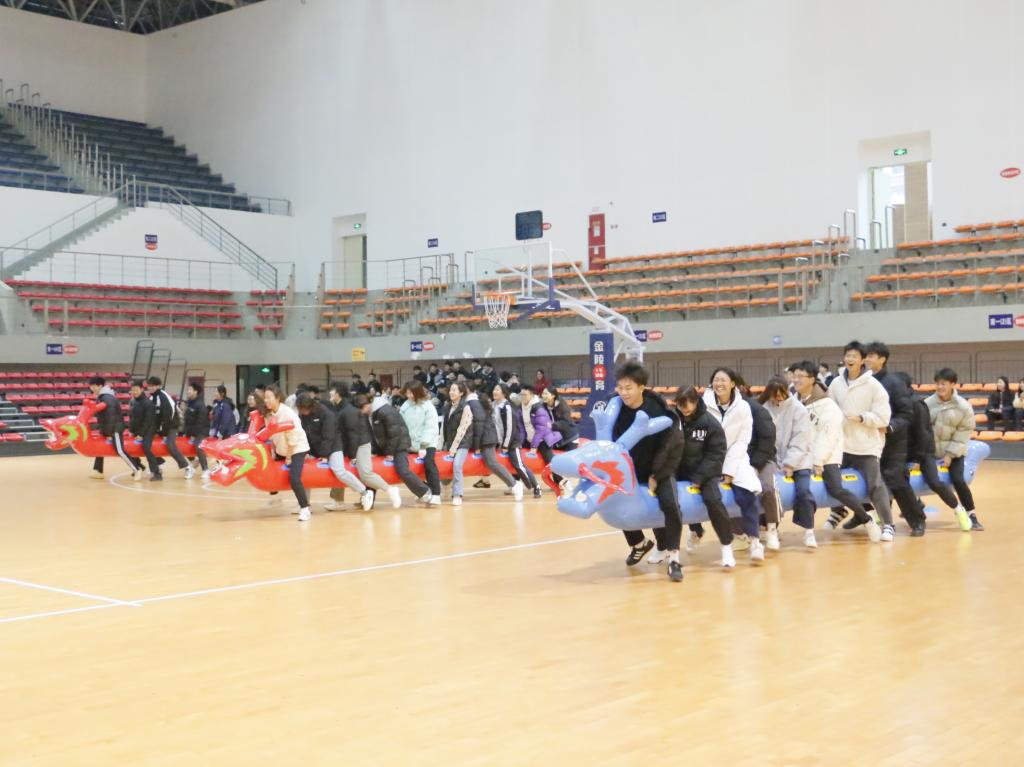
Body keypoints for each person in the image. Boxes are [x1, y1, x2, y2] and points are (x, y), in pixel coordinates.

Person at [609, 363, 683, 580]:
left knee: (670, 505)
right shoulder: (616, 409)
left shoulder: (657, 409)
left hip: (659, 468)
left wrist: (656, 475)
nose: (623, 393)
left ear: (641, 387)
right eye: (620, 387)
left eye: (628, 388)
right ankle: (639, 543)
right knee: (616, 500)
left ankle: (674, 558)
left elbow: (669, 447)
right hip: (630, 469)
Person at [791, 360, 879, 543]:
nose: (796, 380)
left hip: (827, 456)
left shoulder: (827, 405)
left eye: (800, 376)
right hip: (802, 455)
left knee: (836, 488)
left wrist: (818, 461)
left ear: (812, 379)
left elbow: (827, 436)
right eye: (794, 376)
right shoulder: (795, 402)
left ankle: (867, 519)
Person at [826, 340, 893, 541]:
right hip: (841, 445)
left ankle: (888, 525)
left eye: (854, 356)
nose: (850, 359)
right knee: (833, 481)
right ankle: (838, 511)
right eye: (847, 355)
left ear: (863, 360)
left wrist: (863, 418)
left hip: (866, 446)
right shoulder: (836, 384)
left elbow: (883, 418)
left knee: (875, 485)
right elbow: (829, 408)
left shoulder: (874, 386)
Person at [895, 371, 971, 535]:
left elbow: (924, 435)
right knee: (894, 481)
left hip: (925, 451)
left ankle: (959, 509)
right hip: (906, 450)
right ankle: (907, 514)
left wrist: (917, 459)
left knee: (934, 482)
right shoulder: (897, 403)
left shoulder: (918, 405)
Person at [702, 368, 765, 563]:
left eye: (723, 380)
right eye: (716, 380)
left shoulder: (743, 407)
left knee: (747, 494)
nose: (719, 383)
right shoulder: (703, 404)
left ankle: (755, 541)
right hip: (709, 458)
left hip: (736, 458)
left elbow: (742, 441)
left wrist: (729, 471)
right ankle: (696, 533)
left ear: (732, 384)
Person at [865, 341, 923, 536]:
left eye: (871, 356)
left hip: (894, 442)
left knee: (896, 480)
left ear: (882, 359)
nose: (867, 359)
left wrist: (890, 427)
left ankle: (917, 520)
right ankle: (879, 520)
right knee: (870, 480)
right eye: (866, 356)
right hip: (869, 441)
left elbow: (906, 413)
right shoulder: (864, 382)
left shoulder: (894, 383)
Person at [672, 386, 735, 565]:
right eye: (680, 405)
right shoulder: (673, 420)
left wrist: (699, 478)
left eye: (688, 404)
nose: (684, 408)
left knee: (713, 501)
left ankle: (726, 546)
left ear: (695, 401)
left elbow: (716, 454)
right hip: (678, 471)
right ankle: (692, 532)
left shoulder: (710, 423)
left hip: (705, 472)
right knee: (668, 502)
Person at [760, 376, 817, 548]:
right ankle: (770, 528)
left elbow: (801, 440)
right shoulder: (763, 408)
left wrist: (790, 464)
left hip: (800, 460)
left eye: (781, 395)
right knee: (768, 490)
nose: (777, 399)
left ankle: (809, 531)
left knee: (803, 491)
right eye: (774, 395)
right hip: (772, 459)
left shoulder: (798, 409)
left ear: (786, 392)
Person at [442, 382, 521, 505]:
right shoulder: (461, 403)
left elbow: (479, 425)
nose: (452, 392)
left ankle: (515, 484)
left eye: (455, 389)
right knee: (452, 463)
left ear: (464, 391)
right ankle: (443, 486)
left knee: (491, 462)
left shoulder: (472, 403)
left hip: (486, 438)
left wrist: (477, 446)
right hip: (476, 438)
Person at [926, 368, 984, 531]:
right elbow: (921, 429)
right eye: (937, 383)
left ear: (952, 384)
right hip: (930, 451)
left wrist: (950, 455)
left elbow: (963, 433)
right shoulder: (927, 404)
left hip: (954, 451)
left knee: (958, 480)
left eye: (943, 384)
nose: (940, 387)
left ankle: (971, 514)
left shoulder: (963, 407)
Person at [296, 392, 374, 512]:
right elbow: (305, 434)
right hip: (315, 448)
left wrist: (324, 455)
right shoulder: (302, 415)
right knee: (304, 472)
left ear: (310, 406)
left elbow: (329, 435)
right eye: (300, 409)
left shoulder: (325, 413)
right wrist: (306, 451)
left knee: (339, 470)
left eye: (304, 409)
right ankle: (304, 505)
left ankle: (365, 492)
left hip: (334, 446)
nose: (302, 412)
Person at [362, 393, 431, 508]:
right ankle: (368, 500)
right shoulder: (370, 414)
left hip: (399, 446)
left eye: (363, 407)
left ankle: (425, 492)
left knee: (402, 470)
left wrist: (390, 453)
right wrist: (374, 451)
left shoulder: (385, 411)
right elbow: (373, 436)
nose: (362, 411)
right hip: (384, 447)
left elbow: (395, 434)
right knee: (371, 471)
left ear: (369, 404)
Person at [329, 382, 390, 508]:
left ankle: (385, 491)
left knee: (364, 473)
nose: (330, 393)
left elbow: (355, 434)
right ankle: (338, 500)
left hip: (358, 445)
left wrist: (353, 454)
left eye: (332, 391)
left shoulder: (348, 410)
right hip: (348, 445)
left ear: (338, 394)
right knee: (341, 470)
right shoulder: (340, 408)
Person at [740, 379, 780, 551]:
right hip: (739, 461)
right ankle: (740, 533)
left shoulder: (757, 410)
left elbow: (767, 440)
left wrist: (756, 464)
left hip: (763, 459)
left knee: (768, 488)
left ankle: (772, 528)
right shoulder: (724, 412)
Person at [264, 384, 311, 521]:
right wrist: (273, 450)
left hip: (297, 448)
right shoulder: (268, 414)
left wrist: (289, 457)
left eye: (269, 397)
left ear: (278, 398)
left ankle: (305, 508)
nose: (266, 400)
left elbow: (293, 439)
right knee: (270, 471)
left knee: (294, 478)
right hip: (282, 448)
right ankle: (275, 497)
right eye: (265, 397)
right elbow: (270, 434)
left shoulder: (287, 414)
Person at [88, 375, 143, 480]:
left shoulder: (107, 398)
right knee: (100, 448)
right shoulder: (103, 397)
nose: (92, 388)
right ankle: (98, 470)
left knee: (120, 450)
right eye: (91, 386)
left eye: (94, 386)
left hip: (115, 430)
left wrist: (109, 433)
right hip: (109, 429)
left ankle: (137, 469)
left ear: (100, 386)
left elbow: (111, 417)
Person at [492, 382, 540, 498]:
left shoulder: (507, 407)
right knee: (508, 465)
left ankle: (536, 486)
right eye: (494, 389)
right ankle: (512, 485)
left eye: (497, 390)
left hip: (512, 442)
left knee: (519, 465)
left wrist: (505, 445)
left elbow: (510, 428)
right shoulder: (493, 405)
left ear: (504, 393)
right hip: (500, 442)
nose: (494, 391)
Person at [399, 380, 443, 507]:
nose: (409, 395)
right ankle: (423, 491)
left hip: (428, 443)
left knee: (429, 464)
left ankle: (436, 494)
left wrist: (423, 445)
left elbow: (431, 427)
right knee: (406, 468)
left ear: (417, 392)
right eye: (407, 393)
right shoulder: (405, 406)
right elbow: (401, 425)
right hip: (411, 443)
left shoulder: (428, 406)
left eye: (411, 393)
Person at [519, 385, 564, 487]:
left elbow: (541, 429)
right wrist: (520, 442)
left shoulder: (538, 408)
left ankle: (561, 482)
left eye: (525, 395)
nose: (523, 397)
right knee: (517, 457)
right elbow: (522, 427)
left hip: (543, 439)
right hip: (530, 438)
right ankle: (515, 483)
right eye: (521, 395)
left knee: (550, 462)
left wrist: (534, 446)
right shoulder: (521, 407)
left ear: (531, 395)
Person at [146, 376, 188, 481]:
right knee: (148, 444)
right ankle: (159, 463)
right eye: (149, 386)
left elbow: (170, 415)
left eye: (153, 386)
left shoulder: (163, 396)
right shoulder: (152, 397)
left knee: (170, 445)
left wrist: (163, 431)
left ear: (158, 386)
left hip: (172, 425)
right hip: (162, 426)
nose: (150, 388)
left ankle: (187, 466)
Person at [127, 380, 158, 481]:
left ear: (141, 389)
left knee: (146, 448)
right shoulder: (133, 401)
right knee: (130, 448)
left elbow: (148, 421)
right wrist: (131, 430)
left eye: (136, 390)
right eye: (133, 390)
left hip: (148, 430)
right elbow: (132, 418)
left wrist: (141, 434)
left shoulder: (148, 403)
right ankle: (138, 466)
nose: (134, 392)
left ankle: (156, 472)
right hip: (136, 430)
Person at [181, 382, 210, 480]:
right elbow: (187, 420)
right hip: (191, 432)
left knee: (198, 446)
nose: (188, 391)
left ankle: (205, 469)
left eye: (190, 390)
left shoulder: (200, 404)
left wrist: (194, 434)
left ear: (195, 392)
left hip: (201, 431)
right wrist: (185, 432)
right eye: (188, 389)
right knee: (182, 446)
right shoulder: (190, 403)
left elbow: (201, 422)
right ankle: (194, 462)